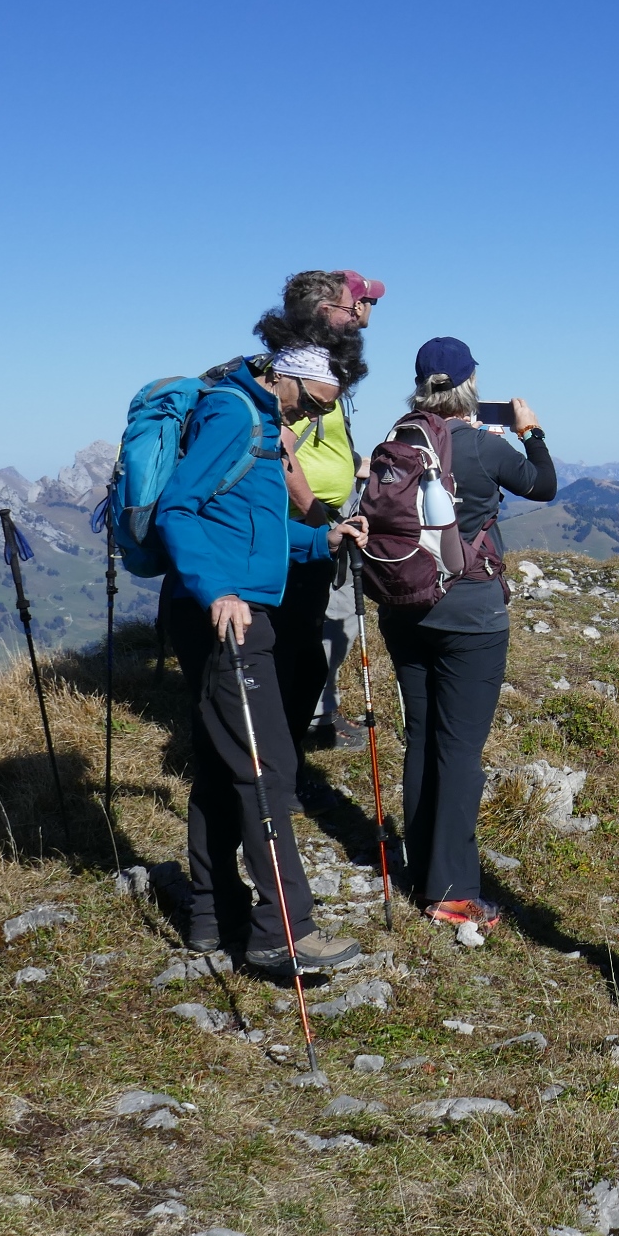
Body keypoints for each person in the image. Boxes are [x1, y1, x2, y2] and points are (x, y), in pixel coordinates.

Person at [156, 343, 369, 974]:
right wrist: (217, 589)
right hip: (228, 614)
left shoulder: (257, 417)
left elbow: (252, 526)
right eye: (309, 403)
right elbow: (178, 508)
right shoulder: (235, 416)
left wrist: (320, 537)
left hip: (233, 609)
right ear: (290, 379)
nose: (306, 420)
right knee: (265, 766)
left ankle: (211, 914)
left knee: (224, 761)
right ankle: (283, 931)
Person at [360, 337, 556, 927]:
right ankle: (450, 890)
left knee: (422, 738)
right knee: (460, 749)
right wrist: (530, 432)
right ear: (472, 384)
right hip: (470, 614)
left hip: (405, 606)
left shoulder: (399, 440)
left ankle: (422, 867)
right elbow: (543, 486)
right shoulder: (481, 448)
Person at [255, 269, 383, 753]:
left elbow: (315, 444)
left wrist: (356, 466)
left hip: (320, 510)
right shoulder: (303, 372)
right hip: (304, 518)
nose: (358, 315)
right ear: (326, 312)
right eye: (351, 307)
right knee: (303, 633)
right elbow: (284, 447)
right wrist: (313, 514)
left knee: (305, 631)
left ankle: (299, 723)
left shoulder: (317, 367)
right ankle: (294, 732)